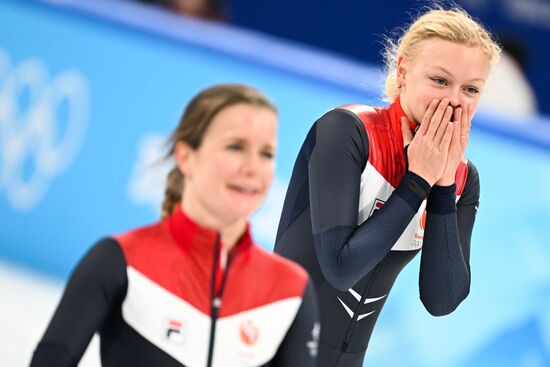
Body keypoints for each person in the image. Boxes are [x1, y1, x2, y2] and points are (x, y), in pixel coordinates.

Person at [274, 6, 501, 367]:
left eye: (470, 89)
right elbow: (340, 268)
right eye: (440, 81)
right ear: (403, 70)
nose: (454, 101)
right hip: (271, 349)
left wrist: (441, 187)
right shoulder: (347, 131)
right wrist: (417, 182)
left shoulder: (462, 180)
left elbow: (441, 301)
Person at [31, 84, 319, 367]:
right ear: (185, 157)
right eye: (235, 147)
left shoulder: (290, 290)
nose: (252, 167)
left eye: (266, 153)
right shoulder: (119, 261)